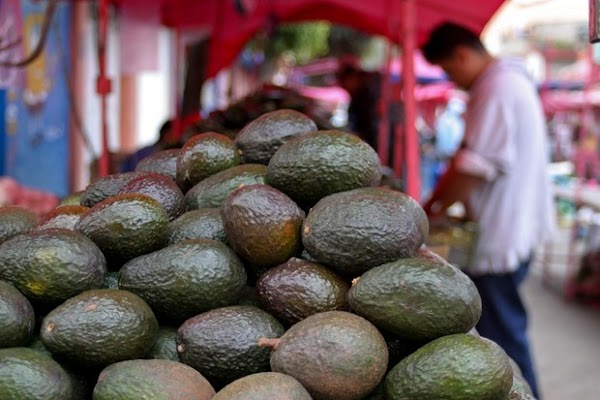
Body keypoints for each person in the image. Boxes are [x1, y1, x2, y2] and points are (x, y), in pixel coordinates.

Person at [421, 22, 557, 399]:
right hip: (512, 228)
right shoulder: (505, 83)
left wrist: (430, 211)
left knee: (504, 342)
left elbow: (472, 167)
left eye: (449, 70)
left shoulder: (498, 88)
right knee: (503, 334)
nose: (452, 80)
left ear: (462, 55)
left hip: (503, 236)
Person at [336, 58, 382, 150]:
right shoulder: (356, 101)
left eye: (344, 83)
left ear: (353, 76)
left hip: (382, 140)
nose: (345, 88)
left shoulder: (375, 86)